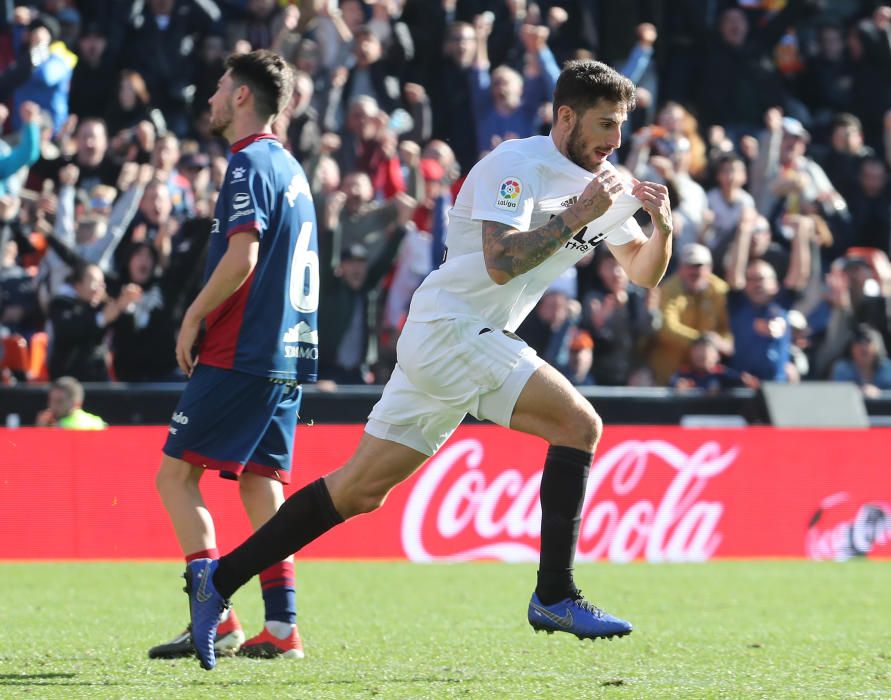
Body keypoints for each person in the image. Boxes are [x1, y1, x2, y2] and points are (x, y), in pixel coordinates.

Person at [183, 59, 673, 671]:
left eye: (621, 127)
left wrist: (663, 229)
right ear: (566, 117)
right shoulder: (514, 166)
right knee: (579, 426)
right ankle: (554, 595)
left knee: (359, 490)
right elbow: (500, 263)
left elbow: (643, 271)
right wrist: (576, 215)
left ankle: (217, 581)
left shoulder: (607, 183)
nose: (615, 142)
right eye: (605, 125)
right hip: (451, 328)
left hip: (460, 341)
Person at [152, 50, 319, 662]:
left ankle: (215, 614)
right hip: (288, 351)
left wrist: (193, 316)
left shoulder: (247, 163)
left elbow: (242, 256)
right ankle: (282, 627)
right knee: (260, 488)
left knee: (175, 475)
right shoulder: (292, 169)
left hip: (242, 349)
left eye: (222, 87)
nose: (212, 98)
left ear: (243, 97)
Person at [35, 376, 107, 429]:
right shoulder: (97, 422)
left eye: (60, 401)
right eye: (51, 400)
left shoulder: (94, 424)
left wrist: (43, 431)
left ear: (76, 403)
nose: (53, 405)